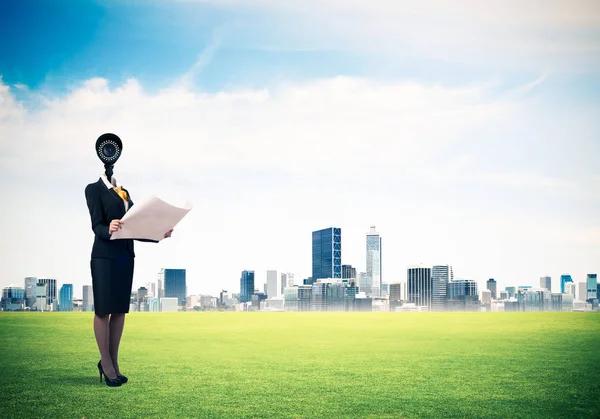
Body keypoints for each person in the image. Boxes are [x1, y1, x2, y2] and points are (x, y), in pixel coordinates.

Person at [85, 173, 173, 387]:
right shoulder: (93, 189)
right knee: (103, 310)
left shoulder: (124, 193)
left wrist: (159, 234)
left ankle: (114, 363)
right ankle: (105, 364)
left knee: (119, 311)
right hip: (104, 257)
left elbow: (135, 227)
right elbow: (96, 225)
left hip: (125, 257)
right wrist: (108, 228)